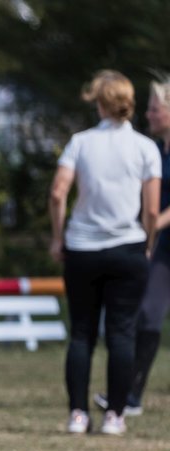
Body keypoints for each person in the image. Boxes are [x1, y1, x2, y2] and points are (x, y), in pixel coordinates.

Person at [49, 70, 161, 436]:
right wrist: (146, 244)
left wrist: (57, 236)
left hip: (82, 247)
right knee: (122, 334)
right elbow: (151, 208)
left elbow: (57, 193)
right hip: (127, 247)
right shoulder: (146, 148)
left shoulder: (80, 142)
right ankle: (115, 415)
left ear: (99, 102)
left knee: (81, 333)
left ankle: (78, 414)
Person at [96, 76, 170, 416]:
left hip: (157, 237)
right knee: (147, 315)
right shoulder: (155, 150)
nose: (150, 114)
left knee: (147, 315)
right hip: (161, 245)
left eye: (156, 108)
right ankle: (131, 397)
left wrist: (150, 230)